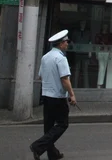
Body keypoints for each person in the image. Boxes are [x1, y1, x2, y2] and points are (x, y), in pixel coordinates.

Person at [30, 30, 76, 160]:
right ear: (61, 44)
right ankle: (37, 146)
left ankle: (52, 154)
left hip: (47, 96)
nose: (67, 44)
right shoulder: (61, 58)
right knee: (62, 124)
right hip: (58, 97)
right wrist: (72, 95)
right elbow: (65, 79)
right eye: (66, 42)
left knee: (49, 127)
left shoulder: (46, 57)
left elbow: (40, 75)